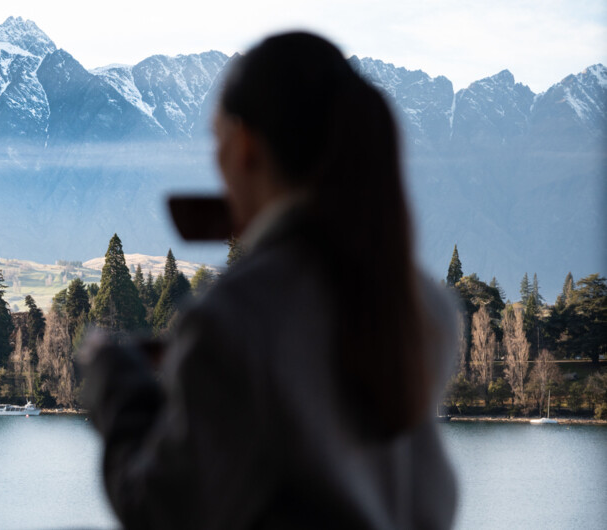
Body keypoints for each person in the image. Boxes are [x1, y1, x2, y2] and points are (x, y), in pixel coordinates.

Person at [81, 32, 460, 529]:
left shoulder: (236, 315)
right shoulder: (422, 303)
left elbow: (162, 511)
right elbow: (433, 503)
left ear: (244, 146)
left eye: (216, 142)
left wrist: (116, 382)